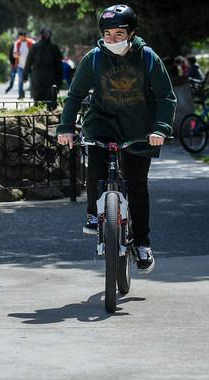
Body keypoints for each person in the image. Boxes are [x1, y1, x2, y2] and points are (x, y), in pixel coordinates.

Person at [56, 4, 176, 274]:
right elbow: (74, 96)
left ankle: (143, 244)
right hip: (102, 123)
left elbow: (166, 97)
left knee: (137, 186)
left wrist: (160, 128)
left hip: (139, 129)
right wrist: (66, 127)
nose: (112, 40)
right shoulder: (95, 58)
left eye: (118, 34)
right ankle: (92, 211)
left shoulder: (147, 57)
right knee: (96, 167)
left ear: (131, 33)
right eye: (107, 34)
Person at [25, 27, 62, 102]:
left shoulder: (35, 47)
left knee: (38, 102)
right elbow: (59, 66)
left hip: (38, 78)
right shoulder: (54, 47)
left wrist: (25, 76)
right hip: (50, 77)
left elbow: (28, 62)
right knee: (50, 101)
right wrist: (59, 80)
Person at [11, 31, 34, 99]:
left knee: (32, 81)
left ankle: (32, 94)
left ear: (25, 36)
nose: (20, 38)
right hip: (20, 65)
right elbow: (14, 54)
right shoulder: (17, 43)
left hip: (30, 66)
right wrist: (16, 55)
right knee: (20, 81)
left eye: (21, 37)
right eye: (19, 37)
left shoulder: (31, 42)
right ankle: (21, 94)